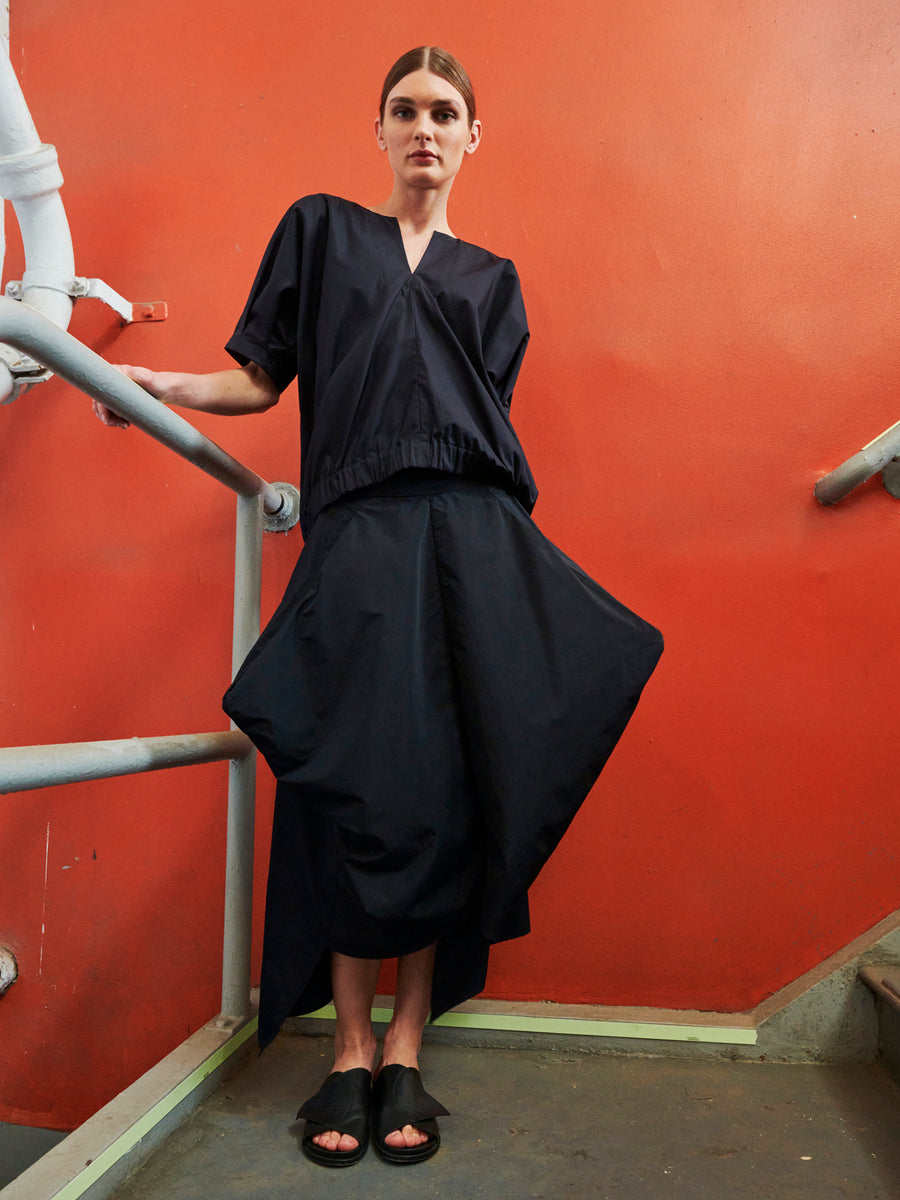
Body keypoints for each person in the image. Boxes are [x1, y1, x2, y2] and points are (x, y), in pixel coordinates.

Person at [94, 46, 663, 1167]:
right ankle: (346, 1048)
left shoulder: (492, 278)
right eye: (404, 109)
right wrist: (160, 387)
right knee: (358, 787)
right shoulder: (320, 231)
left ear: (471, 138)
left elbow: (487, 426)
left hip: (474, 540)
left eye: (445, 112)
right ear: (379, 128)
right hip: (357, 538)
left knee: (454, 788)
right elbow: (261, 378)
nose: (424, 128)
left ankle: (406, 1046)